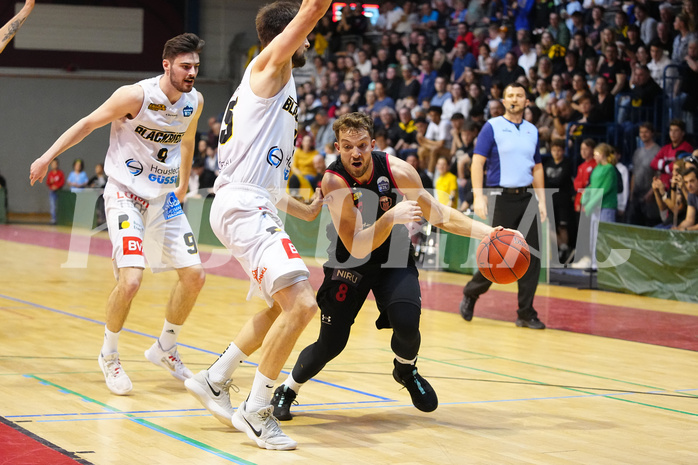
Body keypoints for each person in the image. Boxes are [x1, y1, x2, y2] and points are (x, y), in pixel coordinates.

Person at [271, 112, 499, 421]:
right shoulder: (333, 180)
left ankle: (405, 369)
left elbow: (439, 215)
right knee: (331, 343)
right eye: (348, 146)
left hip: (393, 256)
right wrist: (391, 217)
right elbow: (356, 245)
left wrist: (490, 232)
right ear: (338, 147)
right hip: (351, 259)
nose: (356, 153)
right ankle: (288, 388)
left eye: (362, 145)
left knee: (408, 323)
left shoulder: (398, 170)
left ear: (373, 144)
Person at [183, 1, 329, 451]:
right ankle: (256, 408)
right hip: (245, 205)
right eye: (302, 31)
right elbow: (314, 10)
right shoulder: (268, 64)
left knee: (278, 307)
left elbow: (261, 173)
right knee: (303, 304)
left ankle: (215, 378)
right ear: (288, 33)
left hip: (252, 199)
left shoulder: (273, 83)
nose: (309, 39)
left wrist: (305, 209)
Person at [29, 34, 207, 395]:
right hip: (125, 194)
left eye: (196, 67)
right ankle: (109, 354)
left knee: (195, 276)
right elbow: (87, 123)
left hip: (163, 199)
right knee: (130, 281)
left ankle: (166, 348)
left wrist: (184, 183)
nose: (192, 73)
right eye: (185, 66)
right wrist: (47, 156)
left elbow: (187, 141)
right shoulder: (135, 96)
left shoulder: (195, 101)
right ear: (167, 65)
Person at [459, 82, 548, 329]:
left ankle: (525, 313)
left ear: (527, 101)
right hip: (500, 196)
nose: (514, 99)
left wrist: (541, 200)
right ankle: (471, 292)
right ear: (503, 100)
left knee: (532, 257)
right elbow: (477, 163)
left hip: (527, 196)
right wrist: (478, 196)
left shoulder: (532, 130)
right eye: (510, 95)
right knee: (497, 257)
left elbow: (537, 167)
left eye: (519, 95)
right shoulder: (492, 126)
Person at [579, 143, 618, 270]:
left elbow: (604, 189)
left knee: (604, 235)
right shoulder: (597, 168)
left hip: (606, 205)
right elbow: (592, 185)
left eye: (596, 154)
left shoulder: (610, 169)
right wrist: (585, 198)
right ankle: (595, 263)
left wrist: (589, 204)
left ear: (603, 155)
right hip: (596, 206)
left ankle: (605, 266)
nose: (594, 157)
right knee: (594, 235)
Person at [46, 159, 65, 225]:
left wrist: (57, 186)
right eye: (53, 164)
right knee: (52, 205)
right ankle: (53, 219)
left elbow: (62, 182)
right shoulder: (50, 174)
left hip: (59, 192)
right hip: (52, 192)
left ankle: (60, 218)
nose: (54, 165)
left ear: (57, 164)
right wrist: (50, 183)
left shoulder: (60, 173)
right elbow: (47, 182)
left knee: (59, 205)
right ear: (51, 165)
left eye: (55, 164)